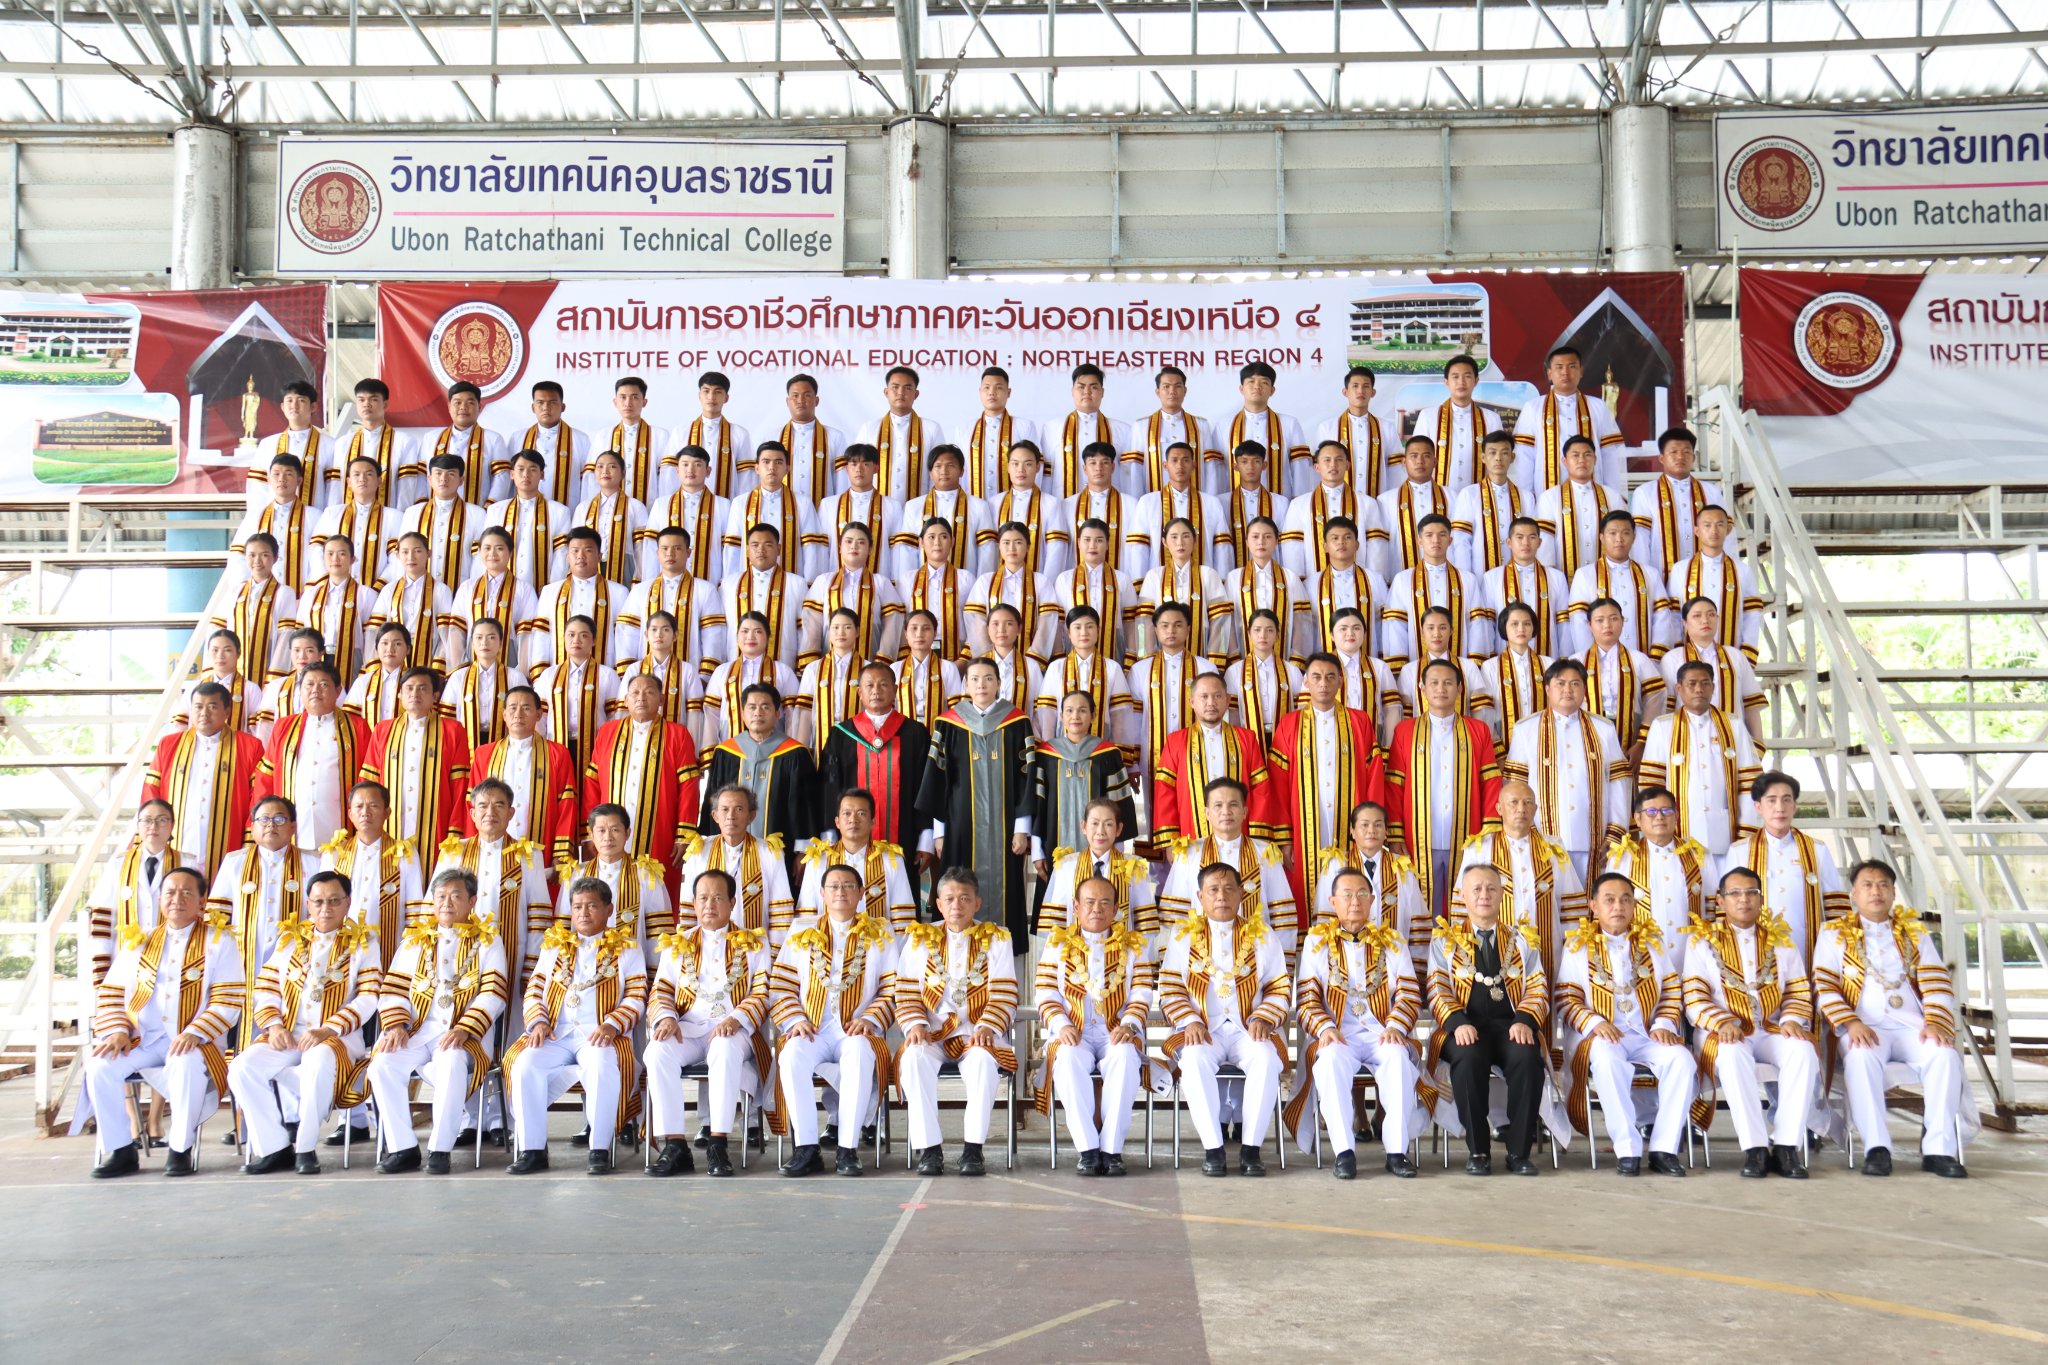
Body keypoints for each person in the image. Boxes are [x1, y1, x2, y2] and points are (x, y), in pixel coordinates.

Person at [77, 866, 243, 1178]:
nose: (177, 899)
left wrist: (195, 1032)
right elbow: (111, 993)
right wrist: (117, 1031)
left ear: (202, 901)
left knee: (184, 1063)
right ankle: (121, 1149)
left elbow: (228, 998)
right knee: (100, 1065)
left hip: (197, 1043)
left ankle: (180, 1149)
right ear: (159, 899)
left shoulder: (220, 941)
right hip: (145, 1040)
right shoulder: (139, 941)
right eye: (170, 892)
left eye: (187, 892)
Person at [1815, 859, 1975, 1178]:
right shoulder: (1833, 933)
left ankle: (1939, 1149)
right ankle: (1877, 1148)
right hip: (1864, 1027)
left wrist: (1935, 1022)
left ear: (1893, 893)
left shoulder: (1912, 931)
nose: (1876, 891)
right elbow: (1824, 985)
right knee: (1861, 1057)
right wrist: (1851, 1023)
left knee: (1945, 1056)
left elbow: (1937, 981)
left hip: (1911, 1026)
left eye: (1883, 885)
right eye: (1867, 885)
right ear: (1853, 894)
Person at [227, 870, 382, 1175]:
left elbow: (368, 997)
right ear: (308, 904)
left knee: (317, 1061)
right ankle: (274, 1148)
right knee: (242, 1068)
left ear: (347, 902)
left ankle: (306, 1147)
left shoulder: (364, 942)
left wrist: (328, 1029)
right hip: (289, 1034)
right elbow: (266, 987)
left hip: (336, 1037)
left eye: (334, 901)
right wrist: (273, 1025)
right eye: (318, 901)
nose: (326, 908)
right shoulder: (290, 939)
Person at [366, 867, 510, 1174]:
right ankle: (403, 1148)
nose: (447, 903)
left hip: (463, 1035)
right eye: (441, 896)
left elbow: (494, 993)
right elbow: (393, 989)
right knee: (382, 1064)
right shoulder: (415, 939)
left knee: (452, 1063)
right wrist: (396, 1025)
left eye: (456, 896)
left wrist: (465, 1028)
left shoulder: (488, 940)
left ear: (472, 901)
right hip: (418, 1032)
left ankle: (440, 1149)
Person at [1285, 868, 1425, 1178]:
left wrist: (1396, 1026)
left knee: (1398, 1059)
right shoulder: (1317, 942)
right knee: (1330, 1060)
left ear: (1372, 900)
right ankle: (1344, 1152)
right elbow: (1306, 998)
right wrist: (1325, 1028)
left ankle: (1396, 1151)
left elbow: (1409, 993)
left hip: (1381, 1032)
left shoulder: (1392, 941)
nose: (1354, 902)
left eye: (1362, 894)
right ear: (1332, 901)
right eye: (1346, 895)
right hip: (1339, 1034)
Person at [503, 877, 647, 1175]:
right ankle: (532, 1150)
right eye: (577, 906)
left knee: (602, 1066)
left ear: (608, 910)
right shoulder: (555, 947)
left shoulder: (627, 949)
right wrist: (538, 1022)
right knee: (525, 1064)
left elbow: (637, 996)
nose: (583, 913)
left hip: (598, 1035)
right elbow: (534, 990)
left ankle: (599, 1148)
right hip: (556, 1034)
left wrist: (612, 1025)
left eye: (591, 906)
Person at [1682, 866, 1819, 1179]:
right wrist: (1722, 1022)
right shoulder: (1701, 941)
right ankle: (1754, 1148)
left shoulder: (1780, 940)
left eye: (1750, 893)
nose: (1743, 899)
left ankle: (1786, 1146)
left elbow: (1798, 990)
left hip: (1770, 1029)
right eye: (1735, 893)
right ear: (1720, 901)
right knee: (1733, 1054)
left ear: (1760, 898)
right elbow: (1694, 997)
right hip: (1721, 1032)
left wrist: (1792, 1019)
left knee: (1803, 1051)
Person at [1157, 862, 1291, 1177]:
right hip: (1204, 1030)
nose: (1221, 896)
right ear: (1200, 897)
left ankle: (1251, 1149)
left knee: (1265, 1057)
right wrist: (1189, 1020)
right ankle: (1213, 1149)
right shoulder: (1183, 936)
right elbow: (1170, 986)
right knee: (1193, 1060)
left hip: (1248, 1029)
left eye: (1229, 888)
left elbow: (1279, 986)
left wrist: (1264, 1017)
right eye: (1213, 890)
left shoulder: (1262, 934)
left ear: (1241, 893)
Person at [1558, 873, 1694, 1177]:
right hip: (1601, 1036)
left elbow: (1672, 989)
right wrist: (1595, 1023)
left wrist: (1664, 1024)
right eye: (1609, 900)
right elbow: (1566, 997)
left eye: (1625, 900)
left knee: (1682, 1060)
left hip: (1647, 1033)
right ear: (1594, 906)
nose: (1617, 906)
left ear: (1634, 906)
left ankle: (1664, 1149)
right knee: (1608, 1060)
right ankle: (1628, 1149)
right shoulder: (1578, 945)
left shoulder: (1651, 942)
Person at [770, 862, 897, 1177]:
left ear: (861, 893)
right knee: (791, 1054)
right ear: (822, 893)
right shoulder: (801, 930)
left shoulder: (880, 932)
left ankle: (847, 1149)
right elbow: (781, 985)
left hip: (855, 1029)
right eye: (834, 886)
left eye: (848, 886)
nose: (841, 892)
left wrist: (871, 1018)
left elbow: (893, 987)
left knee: (859, 1053)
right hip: (813, 1028)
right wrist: (795, 1019)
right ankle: (807, 1148)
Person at [1426, 863, 1553, 1176]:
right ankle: (1478, 1150)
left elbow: (1538, 986)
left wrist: (1525, 1019)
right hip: (1465, 1028)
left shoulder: (1522, 940)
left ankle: (1519, 1152)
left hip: (1511, 1028)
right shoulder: (1445, 941)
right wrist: (1457, 1023)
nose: (1484, 895)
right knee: (1468, 1057)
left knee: (1528, 1058)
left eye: (1491, 888)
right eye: (1477, 889)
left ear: (1501, 894)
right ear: (1463, 896)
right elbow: (1437, 988)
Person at [645, 868, 773, 1177]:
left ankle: (718, 1142)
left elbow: (763, 991)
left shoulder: (753, 943)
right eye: (703, 898)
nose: (709, 905)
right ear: (693, 903)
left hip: (736, 1032)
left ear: (732, 902)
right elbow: (661, 990)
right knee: (657, 1051)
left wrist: (736, 1018)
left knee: (724, 1048)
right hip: (689, 1029)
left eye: (717, 898)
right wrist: (667, 1018)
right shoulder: (678, 943)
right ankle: (675, 1144)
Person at [896, 869, 1019, 1177]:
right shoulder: (919, 938)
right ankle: (930, 1149)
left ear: (977, 903)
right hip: (934, 1034)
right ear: (938, 904)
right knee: (912, 1059)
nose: (957, 905)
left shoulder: (997, 938)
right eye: (949, 899)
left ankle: (973, 1149)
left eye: (965, 898)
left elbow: (1005, 992)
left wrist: (987, 1027)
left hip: (976, 1033)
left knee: (982, 1063)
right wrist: (916, 1025)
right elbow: (906, 991)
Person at [1034, 874, 1157, 1176]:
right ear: (1076, 907)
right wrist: (1061, 1024)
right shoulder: (1058, 943)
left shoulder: (1133, 946)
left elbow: (1142, 991)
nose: (1096, 909)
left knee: (1125, 1058)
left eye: (1104, 903)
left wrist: (1129, 1025)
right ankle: (1088, 1149)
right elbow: (1045, 990)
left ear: (1115, 909)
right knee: (1067, 1059)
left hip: (1115, 1030)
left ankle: (1112, 1150)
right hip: (1074, 1031)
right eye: (1089, 902)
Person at [917, 658, 1040, 953]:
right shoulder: (949, 723)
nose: (981, 685)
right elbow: (937, 781)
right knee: (956, 885)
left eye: (987, 678)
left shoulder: (1017, 722)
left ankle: (1004, 963)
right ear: (965, 685)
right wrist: (939, 833)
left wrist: (1022, 829)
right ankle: (957, 957)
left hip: (1005, 828)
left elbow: (1027, 778)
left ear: (998, 683)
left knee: (1007, 892)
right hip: (959, 826)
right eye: (974, 679)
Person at [1263, 654, 1386, 930]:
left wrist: (1369, 827)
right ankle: (1311, 946)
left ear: (1341, 681)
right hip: (1305, 825)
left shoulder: (1359, 722)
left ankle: (1352, 940)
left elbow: (1374, 775)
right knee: (1305, 886)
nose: (1323, 683)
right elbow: (1278, 784)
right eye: (1316, 677)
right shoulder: (1289, 724)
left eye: (1331, 677)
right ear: (1306, 681)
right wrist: (1284, 836)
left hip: (1350, 825)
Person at [1384, 658, 1503, 917]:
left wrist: (1488, 833)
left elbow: (1491, 783)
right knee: (1421, 904)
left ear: (1460, 689)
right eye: (1434, 683)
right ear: (1422, 688)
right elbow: (1394, 785)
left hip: (1468, 834)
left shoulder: (1478, 730)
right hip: (1416, 837)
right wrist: (1395, 835)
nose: (1441, 689)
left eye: (1448, 683)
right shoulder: (1405, 731)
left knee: (1463, 902)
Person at [1504, 660, 1632, 883]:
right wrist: (1523, 831)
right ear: (1547, 689)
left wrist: (1615, 832)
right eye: (1560, 683)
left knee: (1591, 898)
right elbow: (1514, 785)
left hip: (1593, 837)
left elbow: (1619, 781)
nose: (1568, 690)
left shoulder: (1603, 728)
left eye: (1575, 684)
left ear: (1584, 689)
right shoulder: (1526, 729)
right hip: (1542, 835)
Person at [432, 778, 555, 1000]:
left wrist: (531, 969)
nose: (490, 812)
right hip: (456, 955)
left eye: (499, 805)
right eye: (483, 805)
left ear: (510, 813)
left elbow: (539, 917)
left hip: (512, 954)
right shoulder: (453, 852)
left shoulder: (528, 856)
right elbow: (431, 909)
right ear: (472, 814)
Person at [1458, 779, 1586, 992]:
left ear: (1535, 809)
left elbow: (1571, 905)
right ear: (1499, 809)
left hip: (1547, 948)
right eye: (1514, 802)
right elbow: (1462, 905)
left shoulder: (1553, 848)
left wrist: (1573, 952)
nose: (1521, 809)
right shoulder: (1479, 848)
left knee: (1542, 1003)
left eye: (1527, 803)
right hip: (1492, 949)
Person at [207, 794, 309, 1048]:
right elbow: (216, 918)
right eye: (264, 819)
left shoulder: (313, 861)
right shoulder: (235, 862)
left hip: (293, 963)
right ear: (252, 827)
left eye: (279, 819)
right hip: (243, 960)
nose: (271, 825)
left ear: (293, 827)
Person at [583, 672, 703, 885]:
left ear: (661, 699)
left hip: (660, 831)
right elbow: (593, 784)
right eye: (635, 693)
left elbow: (689, 787)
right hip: (609, 834)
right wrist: (589, 831)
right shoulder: (607, 732)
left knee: (657, 889)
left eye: (649, 692)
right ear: (626, 700)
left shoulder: (678, 734)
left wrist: (684, 834)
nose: (641, 698)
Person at [142, 680, 265, 879]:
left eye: (212, 707)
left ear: (227, 711)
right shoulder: (169, 745)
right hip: (178, 843)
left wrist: (249, 842)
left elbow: (258, 800)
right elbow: (151, 794)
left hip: (229, 845)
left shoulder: (250, 747)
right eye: (198, 707)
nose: (204, 713)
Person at [1725, 771, 1850, 965]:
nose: (1780, 808)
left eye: (1786, 800)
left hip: (1807, 949)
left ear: (1795, 806)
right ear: (1758, 807)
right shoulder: (1740, 851)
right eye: (1771, 801)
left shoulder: (1817, 849)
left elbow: (1836, 907)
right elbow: (1728, 908)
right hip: (1756, 953)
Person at [1639, 661, 1762, 859]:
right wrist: (1658, 832)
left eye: (1705, 683)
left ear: (1713, 688)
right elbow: (1651, 784)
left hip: (1725, 835)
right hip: (1678, 836)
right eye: (1692, 684)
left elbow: (1750, 782)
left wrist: (1746, 833)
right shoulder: (1663, 727)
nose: (1699, 689)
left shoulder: (1733, 725)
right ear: (1679, 688)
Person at [818, 662, 937, 858]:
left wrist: (926, 839)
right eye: (869, 685)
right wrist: (829, 835)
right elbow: (829, 788)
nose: (876, 691)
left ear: (895, 690)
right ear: (859, 692)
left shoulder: (915, 733)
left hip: (906, 838)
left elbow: (926, 788)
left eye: (883, 684)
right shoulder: (841, 735)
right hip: (848, 841)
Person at [256, 660, 372, 854]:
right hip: (293, 832)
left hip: (341, 832)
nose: (315, 690)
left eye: (324, 684)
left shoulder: (357, 727)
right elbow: (265, 780)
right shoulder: (284, 728)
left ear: (338, 691)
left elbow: (368, 781)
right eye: (309, 684)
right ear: (300, 690)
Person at [1157, 777, 1295, 937]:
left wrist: (1278, 953)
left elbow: (1283, 917)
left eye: (1233, 804)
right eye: (1218, 805)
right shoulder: (1188, 854)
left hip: (1257, 950)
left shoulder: (1266, 853)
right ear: (1207, 813)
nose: (1226, 811)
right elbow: (1174, 919)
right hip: (1200, 950)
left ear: (1244, 812)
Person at [1125, 603, 1220, 833]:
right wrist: (1133, 762)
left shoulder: (1205, 667)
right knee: (1152, 814)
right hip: (1150, 757)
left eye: (1178, 625)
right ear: (1155, 630)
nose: (1171, 631)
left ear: (1188, 629)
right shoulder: (1140, 670)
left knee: (1195, 807)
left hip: (1198, 754)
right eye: (1165, 625)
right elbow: (1132, 721)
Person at [697, 683, 818, 863]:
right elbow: (712, 802)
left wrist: (803, 851)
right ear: (742, 713)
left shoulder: (796, 754)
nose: (758, 713)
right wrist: (708, 844)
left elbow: (805, 807)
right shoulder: (725, 753)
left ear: (777, 713)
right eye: (752, 707)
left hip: (781, 854)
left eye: (765, 707)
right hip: (727, 852)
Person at [84, 801, 200, 987]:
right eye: (147, 820)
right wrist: (101, 968)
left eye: (161, 820)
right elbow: (103, 918)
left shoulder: (187, 863)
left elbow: (197, 914)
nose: (153, 826)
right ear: (138, 826)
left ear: (172, 825)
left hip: (173, 959)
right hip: (125, 960)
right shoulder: (118, 864)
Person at [1147, 672, 1268, 847]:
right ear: (1192, 702)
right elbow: (1165, 793)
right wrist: (1171, 841)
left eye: (1217, 696)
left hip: (1240, 839)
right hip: (1190, 840)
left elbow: (1260, 790)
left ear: (1228, 700)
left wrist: (1258, 837)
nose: (1211, 703)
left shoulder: (1246, 739)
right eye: (1204, 696)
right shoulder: (1176, 742)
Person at [360, 666, 473, 854]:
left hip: (436, 828)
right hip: (389, 826)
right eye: (409, 688)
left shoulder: (453, 730)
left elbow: (460, 786)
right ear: (400, 694)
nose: (415, 694)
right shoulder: (383, 730)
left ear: (435, 696)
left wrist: (454, 830)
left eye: (422, 688)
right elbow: (368, 782)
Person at [469, 685, 581, 869]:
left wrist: (561, 852)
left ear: (539, 715)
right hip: (492, 849)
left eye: (526, 708)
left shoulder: (557, 754)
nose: (518, 714)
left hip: (542, 849)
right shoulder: (484, 754)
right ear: (504, 715)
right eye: (512, 708)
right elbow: (472, 805)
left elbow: (567, 805)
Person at [319, 780, 425, 966]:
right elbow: (320, 906)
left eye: (373, 806)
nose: (365, 812)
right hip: (342, 954)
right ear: (350, 814)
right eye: (359, 806)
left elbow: (415, 912)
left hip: (390, 953)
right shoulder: (334, 854)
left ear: (387, 812)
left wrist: (407, 960)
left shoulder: (404, 853)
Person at [678, 785, 796, 947]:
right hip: (708, 951)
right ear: (715, 816)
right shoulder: (698, 851)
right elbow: (688, 910)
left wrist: (774, 956)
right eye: (725, 809)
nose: (731, 816)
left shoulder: (770, 853)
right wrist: (690, 950)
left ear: (751, 816)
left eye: (739, 809)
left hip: (755, 952)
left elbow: (780, 913)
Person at [1313, 800, 1426, 963]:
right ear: (1352, 831)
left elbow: (1418, 925)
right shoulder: (1336, 864)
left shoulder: (1402, 867)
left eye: (1378, 825)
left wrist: (1417, 970)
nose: (1371, 831)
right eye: (1364, 825)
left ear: (1386, 832)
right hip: (1346, 965)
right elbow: (1324, 919)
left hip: (1393, 965)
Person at [1604, 786, 1719, 948]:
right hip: (1642, 953)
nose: (1659, 817)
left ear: (1676, 816)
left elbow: (1713, 906)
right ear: (1638, 819)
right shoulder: (1621, 859)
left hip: (1692, 952)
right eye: (1651, 812)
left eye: (1666, 811)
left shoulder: (1699, 855)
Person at [1033, 692, 1138, 866]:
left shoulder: (1108, 754)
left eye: (1082, 710)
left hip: (1102, 851)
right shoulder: (1046, 755)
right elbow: (1038, 805)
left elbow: (1119, 807)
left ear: (1093, 715)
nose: (1075, 716)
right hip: (1052, 848)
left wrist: (1117, 852)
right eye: (1069, 711)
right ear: (1061, 716)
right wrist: (1037, 853)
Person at [558, 802, 674, 959]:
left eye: (615, 830)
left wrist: (654, 972)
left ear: (627, 833)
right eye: (601, 830)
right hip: (583, 966)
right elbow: (563, 927)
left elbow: (659, 932)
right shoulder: (577, 874)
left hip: (632, 967)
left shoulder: (646, 874)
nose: (608, 837)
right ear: (591, 834)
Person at [794, 789, 917, 932]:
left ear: (872, 822)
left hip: (878, 945)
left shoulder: (891, 860)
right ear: (837, 822)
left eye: (861, 813)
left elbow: (903, 919)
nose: (853, 819)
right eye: (847, 813)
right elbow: (806, 917)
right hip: (828, 944)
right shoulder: (818, 861)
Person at [1035, 798, 1157, 936]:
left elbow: (1145, 927)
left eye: (1108, 824)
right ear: (1084, 826)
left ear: (1118, 829)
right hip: (1075, 948)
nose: (1100, 831)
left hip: (1122, 948)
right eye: (1095, 823)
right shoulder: (1066, 866)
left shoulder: (1133, 867)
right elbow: (1055, 926)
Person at [1512, 344, 1624, 490]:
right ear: (1549, 373)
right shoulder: (1533, 408)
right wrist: (1526, 496)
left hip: (1592, 492)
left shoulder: (1598, 407)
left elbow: (1611, 454)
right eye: (1559, 367)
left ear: (1581, 371)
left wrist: (1613, 495)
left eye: (1572, 366)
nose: (1565, 372)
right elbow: (1524, 456)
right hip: (1546, 492)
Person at [1383, 514, 1488, 669]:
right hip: (1415, 667)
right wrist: (1400, 668)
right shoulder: (1403, 579)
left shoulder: (1467, 579)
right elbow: (1396, 627)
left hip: (1460, 667)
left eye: (1442, 535)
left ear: (1450, 540)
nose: (1436, 540)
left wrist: (1474, 666)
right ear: (1420, 541)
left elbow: (1477, 625)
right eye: (1429, 535)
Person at [1568, 511, 1678, 659]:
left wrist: (1655, 658)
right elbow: (1579, 622)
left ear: (1634, 537)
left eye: (1625, 533)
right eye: (1612, 533)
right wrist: (1591, 659)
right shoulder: (1584, 575)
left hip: (1643, 659)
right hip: (1600, 662)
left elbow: (1662, 617)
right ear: (1602, 537)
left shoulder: (1650, 574)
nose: (1619, 539)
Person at [618, 526, 724, 674]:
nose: (670, 554)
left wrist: (704, 676)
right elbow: (627, 634)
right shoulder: (640, 590)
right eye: (665, 549)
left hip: (689, 675)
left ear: (688, 552)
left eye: (677, 548)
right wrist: (630, 675)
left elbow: (713, 635)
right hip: (646, 677)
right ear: (657, 553)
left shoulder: (705, 590)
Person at [1660, 596, 1765, 742]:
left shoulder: (1735, 656)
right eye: (1697, 616)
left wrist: (1758, 744)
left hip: (1733, 741)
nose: (1705, 620)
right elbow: (1666, 709)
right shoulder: (1672, 659)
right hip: (1688, 741)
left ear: (1718, 619)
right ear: (1685, 623)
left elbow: (1751, 705)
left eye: (1711, 614)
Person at [1630, 426, 1730, 577]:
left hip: (1707, 577)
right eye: (1673, 452)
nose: (1680, 457)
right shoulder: (1645, 492)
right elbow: (1640, 540)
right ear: (1661, 458)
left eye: (1686, 452)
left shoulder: (1711, 491)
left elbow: (1725, 533)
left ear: (1693, 458)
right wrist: (1645, 577)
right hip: (1661, 576)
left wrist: (1728, 571)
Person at [1667, 504, 1761, 662]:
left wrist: (1746, 656)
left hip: (1732, 657)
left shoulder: (1742, 570)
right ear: (1697, 531)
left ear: (1728, 530)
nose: (1714, 531)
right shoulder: (1680, 569)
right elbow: (1674, 616)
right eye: (1707, 525)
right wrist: (1679, 652)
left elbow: (1753, 615)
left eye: (1719, 525)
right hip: (1690, 661)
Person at [1139, 517, 1236, 665]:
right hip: (1162, 660)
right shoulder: (1154, 576)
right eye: (1174, 537)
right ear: (1164, 542)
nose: (1180, 543)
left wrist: (1214, 662)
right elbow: (1145, 622)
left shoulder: (1208, 574)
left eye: (1186, 536)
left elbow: (1220, 621)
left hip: (1202, 656)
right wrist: (1148, 662)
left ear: (1195, 540)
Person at [723, 440, 825, 580]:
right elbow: (732, 548)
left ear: (787, 468)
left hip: (790, 583)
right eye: (766, 462)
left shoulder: (802, 503)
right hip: (749, 583)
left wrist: (809, 583)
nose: (772, 467)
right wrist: (731, 581)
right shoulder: (740, 503)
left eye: (778, 462)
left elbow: (811, 548)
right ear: (757, 468)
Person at [1580, 595, 1665, 764]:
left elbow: (1655, 698)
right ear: (1589, 625)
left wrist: (1642, 742)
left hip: (1632, 732)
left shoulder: (1638, 659)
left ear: (1622, 621)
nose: (1607, 625)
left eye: (1614, 619)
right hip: (1587, 732)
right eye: (1600, 620)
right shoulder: (1578, 661)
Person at [531, 615, 621, 773]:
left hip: (595, 746)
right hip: (556, 745)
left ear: (594, 640)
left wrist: (608, 746)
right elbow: (540, 716)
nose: (576, 640)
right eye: (571, 635)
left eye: (584, 635)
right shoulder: (549, 675)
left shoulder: (607, 675)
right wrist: (541, 747)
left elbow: (614, 717)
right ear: (563, 638)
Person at [530, 527, 628, 669]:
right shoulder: (550, 592)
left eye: (588, 550)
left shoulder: (618, 592)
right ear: (567, 556)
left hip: (603, 673)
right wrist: (540, 674)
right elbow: (541, 636)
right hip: (558, 674)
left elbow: (624, 639)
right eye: (575, 551)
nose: (580, 556)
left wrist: (621, 674)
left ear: (599, 556)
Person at [701, 613, 802, 745]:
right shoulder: (721, 672)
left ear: (768, 636)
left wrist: (790, 750)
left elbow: (793, 717)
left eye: (758, 631)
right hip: (730, 749)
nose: (750, 637)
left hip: (774, 750)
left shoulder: (783, 671)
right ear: (737, 636)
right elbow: (711, 716)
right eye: (745, 631)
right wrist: (710, 752)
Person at [1035, 607, 1133, 744]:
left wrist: (1116, 751)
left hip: (1102, 746)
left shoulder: (1112, 668)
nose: (1084, 633)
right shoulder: (1056, 668)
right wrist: (1049, 750)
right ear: (1069, 633)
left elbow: (1119, 716)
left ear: (1098, 630)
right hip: (1063, 747)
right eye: (1077, 627)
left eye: (1089, 627)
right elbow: (1048, 715)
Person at [1534, 436, 1624, 581]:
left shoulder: (1612, 496)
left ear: (1595, 460)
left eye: (1587, 455)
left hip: (1608, 579)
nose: (1582, 460)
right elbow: (1545, 544)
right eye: (1575, 455)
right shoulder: (1549, 497)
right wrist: (1550, 580)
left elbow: (1623, 537)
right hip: (1563, 579)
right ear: (1564, 461)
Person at [211, 533, 298, 681]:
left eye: (264, 555)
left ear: (275, 558)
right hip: (233, 670)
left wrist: (274, 677)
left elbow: (285, 636)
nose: (257, 561)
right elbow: (217, 629)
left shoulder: (284, 592)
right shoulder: (235, 591)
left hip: (268, 666)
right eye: (251, 555)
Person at [1135, 441, 1231, 575]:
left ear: (1194, 465)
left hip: (1203, 582)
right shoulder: (1147, 502)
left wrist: (1220, 581)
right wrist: (1140, 582)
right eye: (1174, 460)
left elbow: (1222, 548)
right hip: (1159, 581)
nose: (1180, 465)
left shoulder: (1211, 502)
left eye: (1185, 460)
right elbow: (1139, 548)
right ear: (1165, 465)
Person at [968, 523, 1060, 662]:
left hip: (1030, 662)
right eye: (1006, 542)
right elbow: (977, 623)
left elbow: (1046, 624)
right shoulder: (985, 581)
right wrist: (989, 660)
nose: (1011, 548)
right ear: (999, 546)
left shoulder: (1041, 581)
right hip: (992, 663)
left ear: (1028, 546)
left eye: (1018, 542)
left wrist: (1032, 661)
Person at [1228, 518, 1315, 665]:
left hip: (1284, 660)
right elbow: (1228, 623)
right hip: (1243, 659)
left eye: (1267, 536)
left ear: (1276, 541)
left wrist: (1296, 661)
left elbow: (1301, 623)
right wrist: (1234, 660)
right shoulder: (1234, 578)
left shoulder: (1289, 577)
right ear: (1247, 541)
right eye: (1255, 536)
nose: (1261, 542)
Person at [1481, 517, 1571, 658]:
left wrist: (1564, 659)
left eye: (1532, 537)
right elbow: (1488, 624)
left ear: (1539, 542)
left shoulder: (1557, 577)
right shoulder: (1492, 577)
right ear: (1509, 542)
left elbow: (1563, 624)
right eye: (1519, 537)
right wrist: (1491, 657)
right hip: (1505, 659)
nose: (1526, 543)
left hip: (1548, 658)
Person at [367, 532, 458, 672]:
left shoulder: (441, 590)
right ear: (398, 555)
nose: (411, 557)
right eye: (405, 552)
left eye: (418, 551)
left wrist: (438, 667)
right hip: (393, 656)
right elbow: (374, 631)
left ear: (428, 554)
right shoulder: (389, 590)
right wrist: (375, 665)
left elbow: (446, 635)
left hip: (429, 656)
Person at [720, 523, 807, 667]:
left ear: (778, 549)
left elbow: (803, 630)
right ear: (747, 550)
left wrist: (801, 667)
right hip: (736, 664)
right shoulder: (729, 584)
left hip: (783, 664)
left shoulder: (797, 584)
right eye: (755, 545)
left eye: (768, 545)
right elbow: (721, 630)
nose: (761, 550)